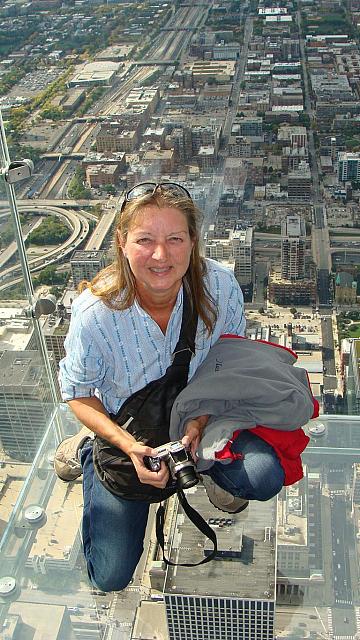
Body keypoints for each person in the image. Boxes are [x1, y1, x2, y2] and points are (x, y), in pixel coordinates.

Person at [55, 182, 285, 592]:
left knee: (264, 477)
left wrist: (199, 423)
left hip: (203, 416)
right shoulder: (95, 313)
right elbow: (78, 393)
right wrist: (127, 446)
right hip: (128, 428)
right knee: (110, 576)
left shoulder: (218, 285)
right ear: (122, 242)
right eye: (145, 240)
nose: (161, 256)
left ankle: (209, 470)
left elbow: (229, 362)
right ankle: (88, 448)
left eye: (175, 239)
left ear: (193, 241)